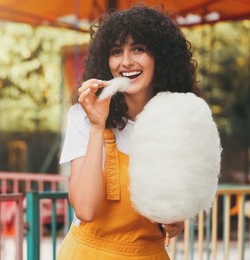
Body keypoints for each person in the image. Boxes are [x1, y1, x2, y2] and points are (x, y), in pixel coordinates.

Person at [57, 4, 201, 259]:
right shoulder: (83, 117)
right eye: (116, 51)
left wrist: (175, 220)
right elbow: (85, 210)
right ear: (106, 60)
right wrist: (97, 126)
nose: (125, 61)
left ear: (161, 57)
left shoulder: (178, 124)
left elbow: (173, 208)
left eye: (138, 49)